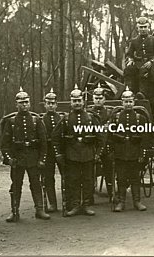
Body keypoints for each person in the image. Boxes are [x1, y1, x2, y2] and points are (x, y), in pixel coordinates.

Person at [51, 85, 104, 217]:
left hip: (88, 154)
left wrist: (97, 153)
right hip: (71, 155)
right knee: (73, 180)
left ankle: (86, 205)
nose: (77, 103)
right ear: (71, 102)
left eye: (79, 100)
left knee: (88, 180)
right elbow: (55, 137)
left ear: (83, 101)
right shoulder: (66, 119)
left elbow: (101, 137)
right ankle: (75, 205)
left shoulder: (91, 118)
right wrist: (59, 153)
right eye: (74, 101)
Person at [1, 87, 50, 222]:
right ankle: (15, 211)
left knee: (36, 184)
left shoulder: (36, 120)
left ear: (30, 103)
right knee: (16, 185)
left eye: (26, 102)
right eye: (21, 102)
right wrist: (9, 159)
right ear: (16, 104)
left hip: (33, 157)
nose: (24, 105)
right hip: (18, 158)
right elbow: (5, 144)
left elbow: (43, 142)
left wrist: (42, 159)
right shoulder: (10, 122)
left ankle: (39, 209)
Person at [108, 86, 148, 212]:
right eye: (126, 101)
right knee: (120, 177)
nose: (128, 104)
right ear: (122, 103)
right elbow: (110, 136)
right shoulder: (115, 117)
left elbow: (145, 138)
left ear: (134, 102)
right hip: (120, 152)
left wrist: (143, 153)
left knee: (135, 177)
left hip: (134, 152)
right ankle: (121, 202)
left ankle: (137, 201)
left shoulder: (140, 118)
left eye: (130, 101)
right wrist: (111, 151)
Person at [124, 16, 154, 100]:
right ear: (137, 28)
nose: (143, 29)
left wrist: (152, 62)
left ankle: (142, 94)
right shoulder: (134, 41)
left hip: (152, 66)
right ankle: (129, 91)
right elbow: (129, 54)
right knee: (128, 69)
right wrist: (130, 60)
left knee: (144, 71)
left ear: (148, 27)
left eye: (145, 27)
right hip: (138, 63)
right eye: (141, 27)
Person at [87, 84, 114, 202]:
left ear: (104, 99)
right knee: (90, 172)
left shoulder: (110, 113)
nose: (98, 100)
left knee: (109, 171)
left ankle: (112, 195)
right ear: (92, 99)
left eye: (100, 98)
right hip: (93, 147)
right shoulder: (88, 113)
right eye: (96, 98)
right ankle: (90, 197)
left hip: (107, 146)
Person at [40, 88, 64, 212]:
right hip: (48, 152)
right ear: (45, 105)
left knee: (65, 176)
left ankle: (67, 202)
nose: (50, 105)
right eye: (48, 103)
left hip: (60, 152)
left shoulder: (61, 118)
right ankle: (53, 203)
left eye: (52, 103)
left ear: (56, 104)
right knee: (48, 178)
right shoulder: (41, 120)